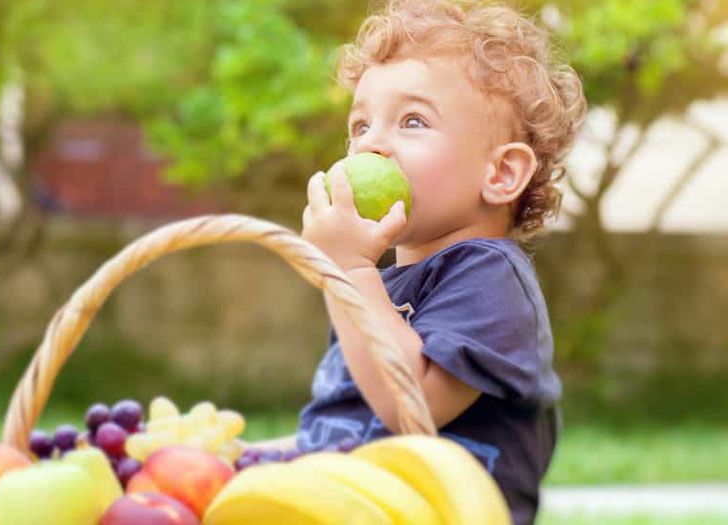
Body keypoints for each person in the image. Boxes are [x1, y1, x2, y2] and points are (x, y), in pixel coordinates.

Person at [251, 1, 586, 523]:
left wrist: (350, 273)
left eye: (412, 120)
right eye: (360, 125)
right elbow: (351, 426)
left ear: (500, 174)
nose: (372, 145)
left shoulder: (491, 276)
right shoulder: (380, 286)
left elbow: (412, 409)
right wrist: (256, 458)